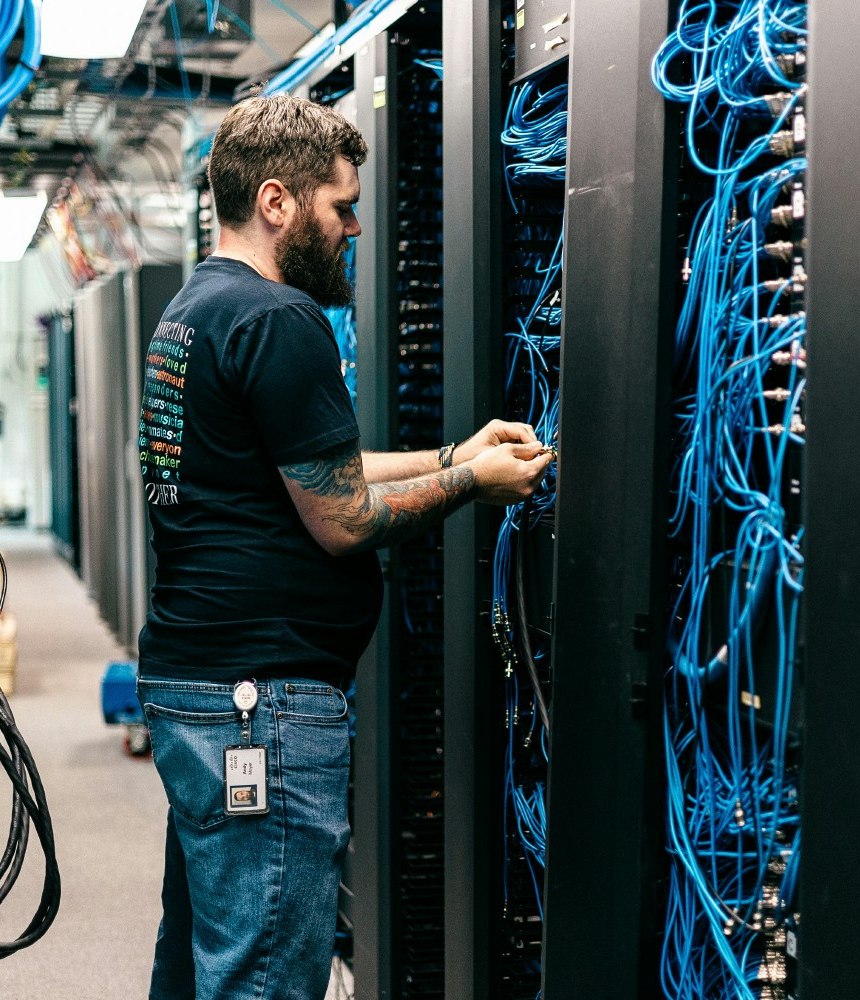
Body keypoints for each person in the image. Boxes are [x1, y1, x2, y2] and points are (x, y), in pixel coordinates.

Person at [134, 95, 551, 1000]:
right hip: (262, 705)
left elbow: (315, 467)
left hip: (200, 685)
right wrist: (477, 486)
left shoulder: (196, 311)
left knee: (204, 954)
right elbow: (342, 516)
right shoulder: (282, 321)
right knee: (266, 975)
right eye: (342, 204)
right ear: (279, 203)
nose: (357, 226)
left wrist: (453, 453)